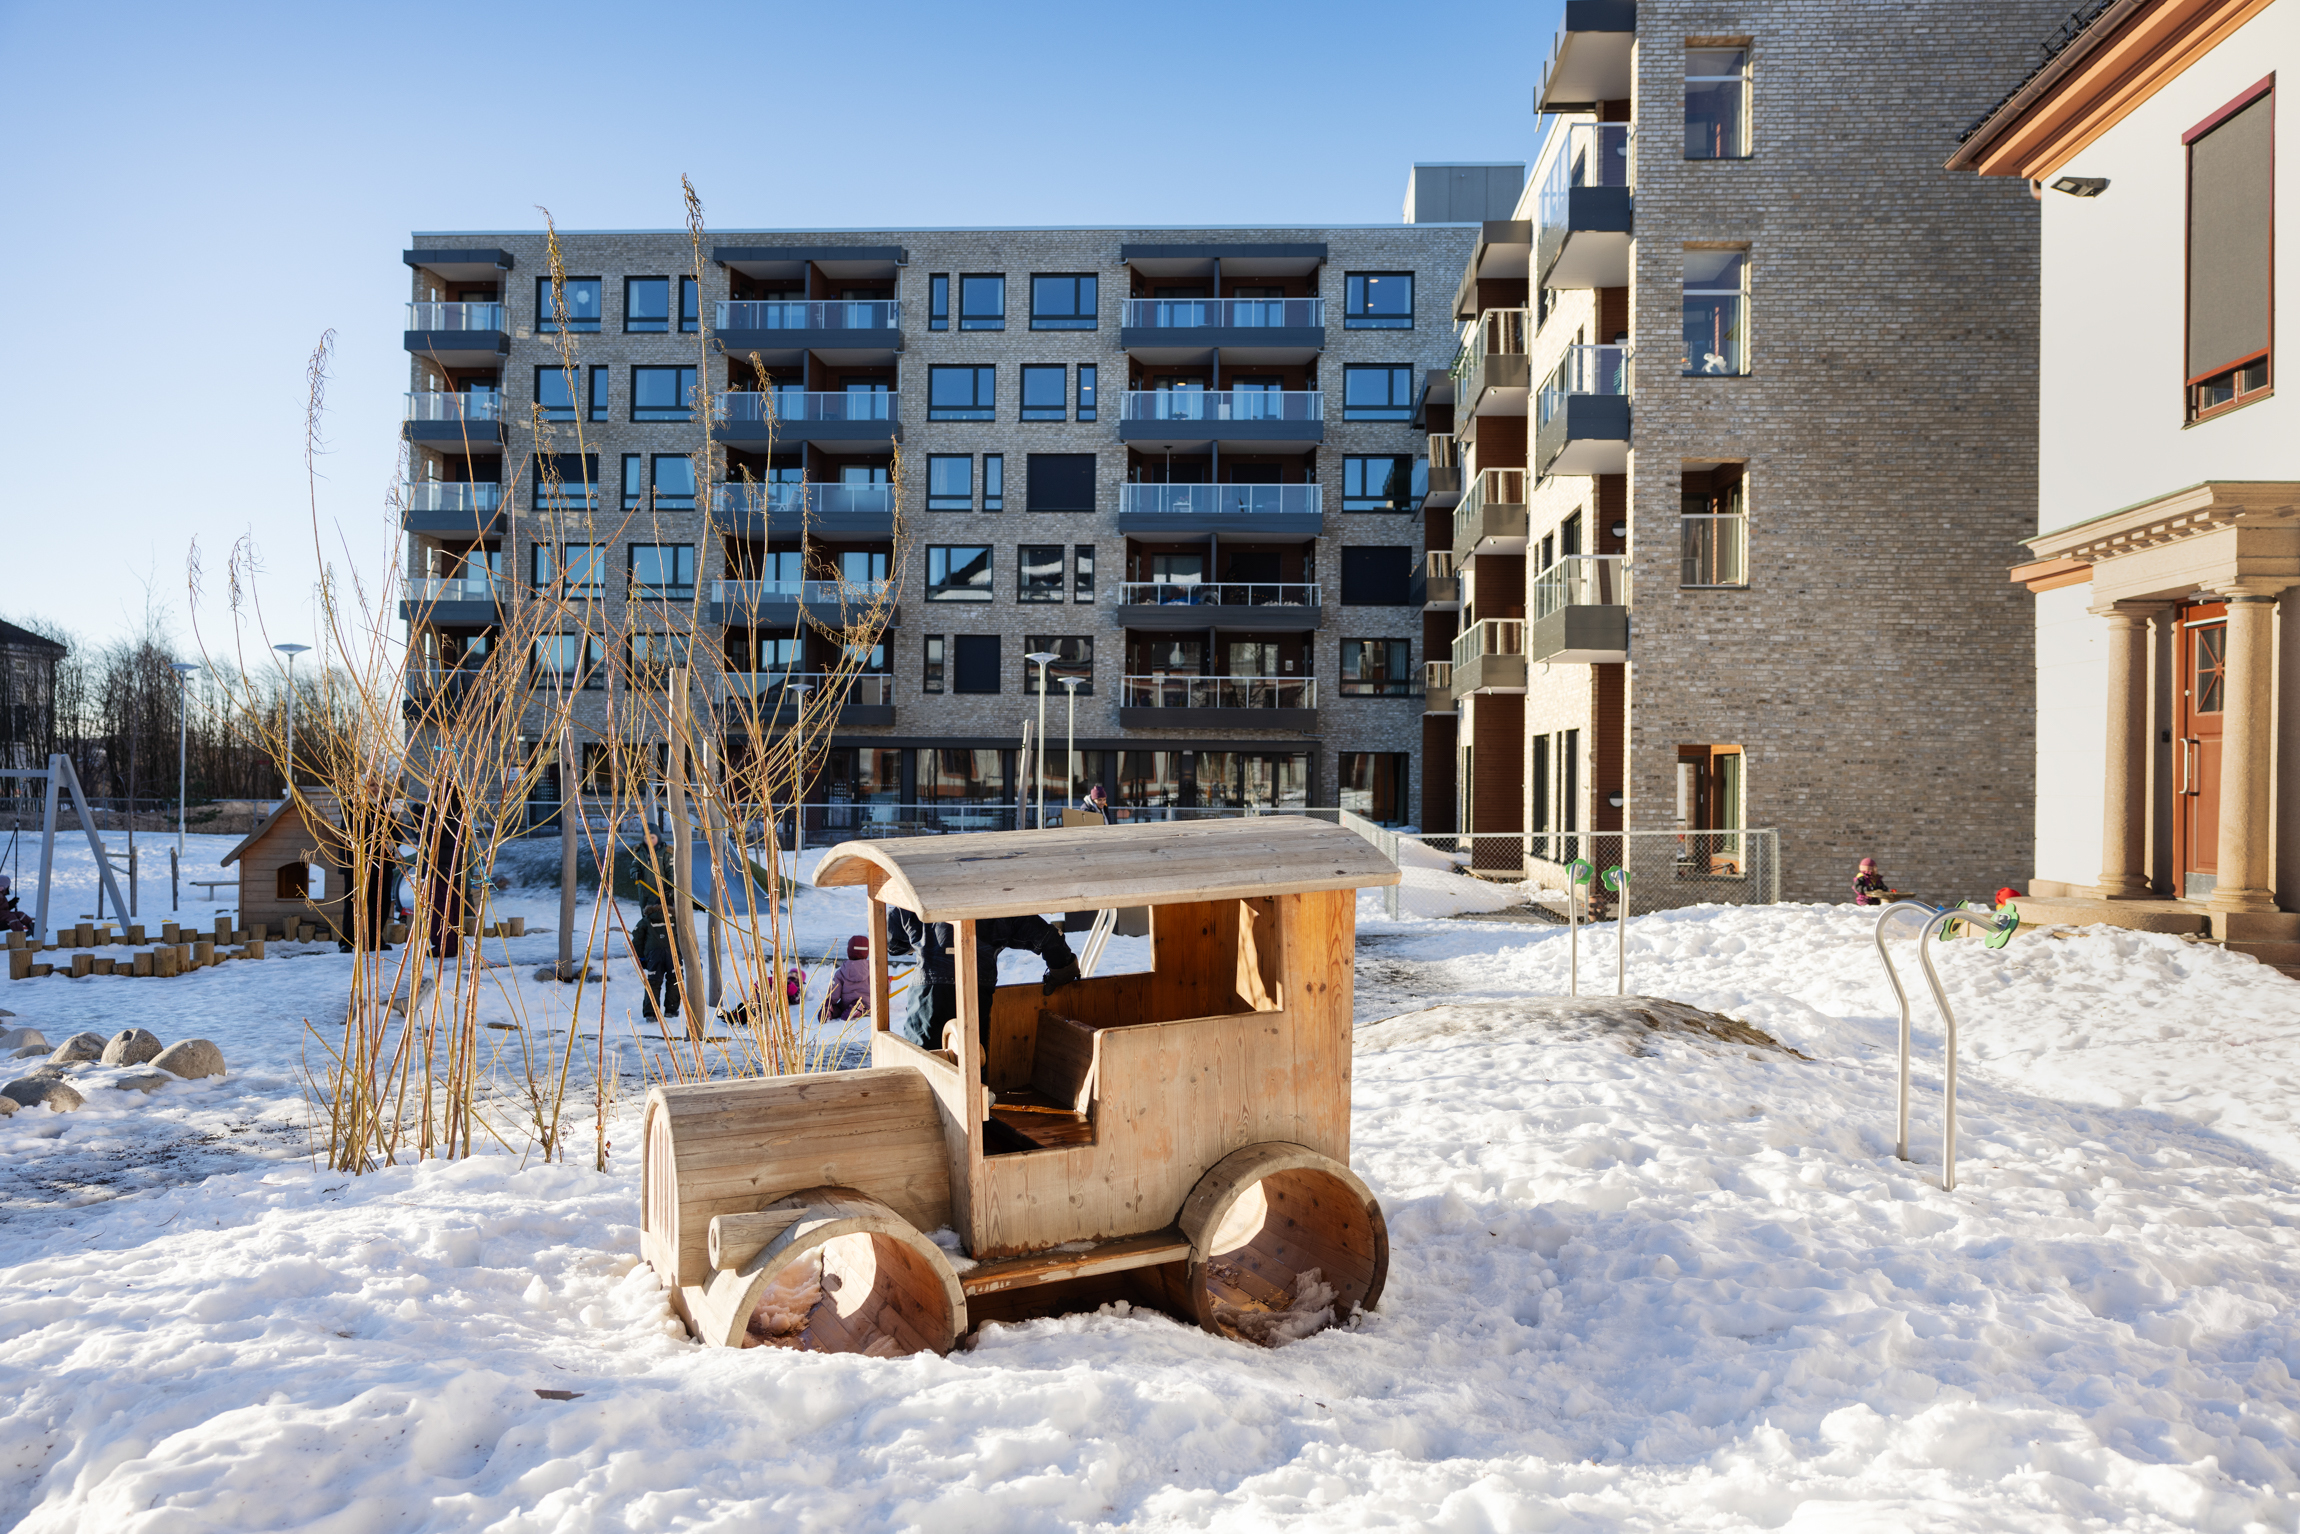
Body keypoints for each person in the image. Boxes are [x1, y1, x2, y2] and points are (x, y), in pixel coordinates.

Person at [887, 906, 1078, 1052]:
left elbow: (891, 939)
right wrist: (1063, 971)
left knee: (924, 1061)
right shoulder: (997, 899)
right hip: (976, 989)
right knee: (974, 1062)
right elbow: (1048, 937)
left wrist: (919, 941)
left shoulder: (920, 890)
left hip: (928, 992)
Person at [629, 900, 681, 1021]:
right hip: (673, 953)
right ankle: (671, 1010)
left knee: (653, 982)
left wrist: (641, 957)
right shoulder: (675, 919)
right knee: (675, 979)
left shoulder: (646, 920)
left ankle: (651, 1013)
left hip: (654, 954)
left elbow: (637, 939)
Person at [820, 934, 873, 1022]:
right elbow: (885, 989)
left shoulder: (842, 971)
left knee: (840, 1009)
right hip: (869, 1004)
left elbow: (835, 991)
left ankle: (830, 1010)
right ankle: (859, 1009)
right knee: (867, 1008)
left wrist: (829, 1001)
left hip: (847, 1004)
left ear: (849, 951)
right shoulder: (874, 969)